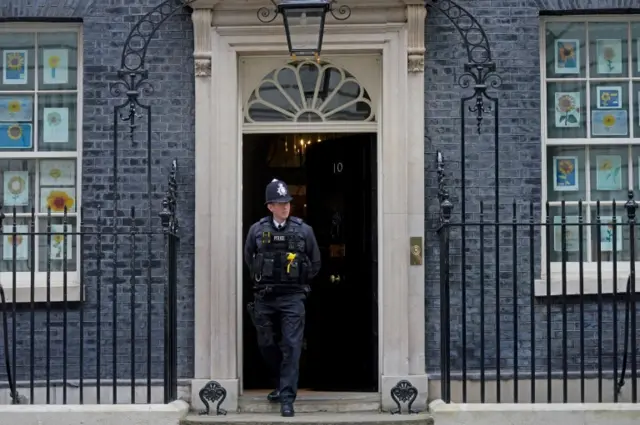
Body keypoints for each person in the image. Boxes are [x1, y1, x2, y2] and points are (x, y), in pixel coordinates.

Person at [244, 178, 321, 417]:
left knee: (292, 345)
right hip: (265, 297)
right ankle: (280, 383)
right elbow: (249, 259)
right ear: (270, 206)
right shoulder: (257, 230)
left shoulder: (303, 230)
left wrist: (297, 280)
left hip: (292, 298)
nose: (285, 207)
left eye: (287, 202)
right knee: (266, 343)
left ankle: (287, 398)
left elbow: (315, 262)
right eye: (279, 203)